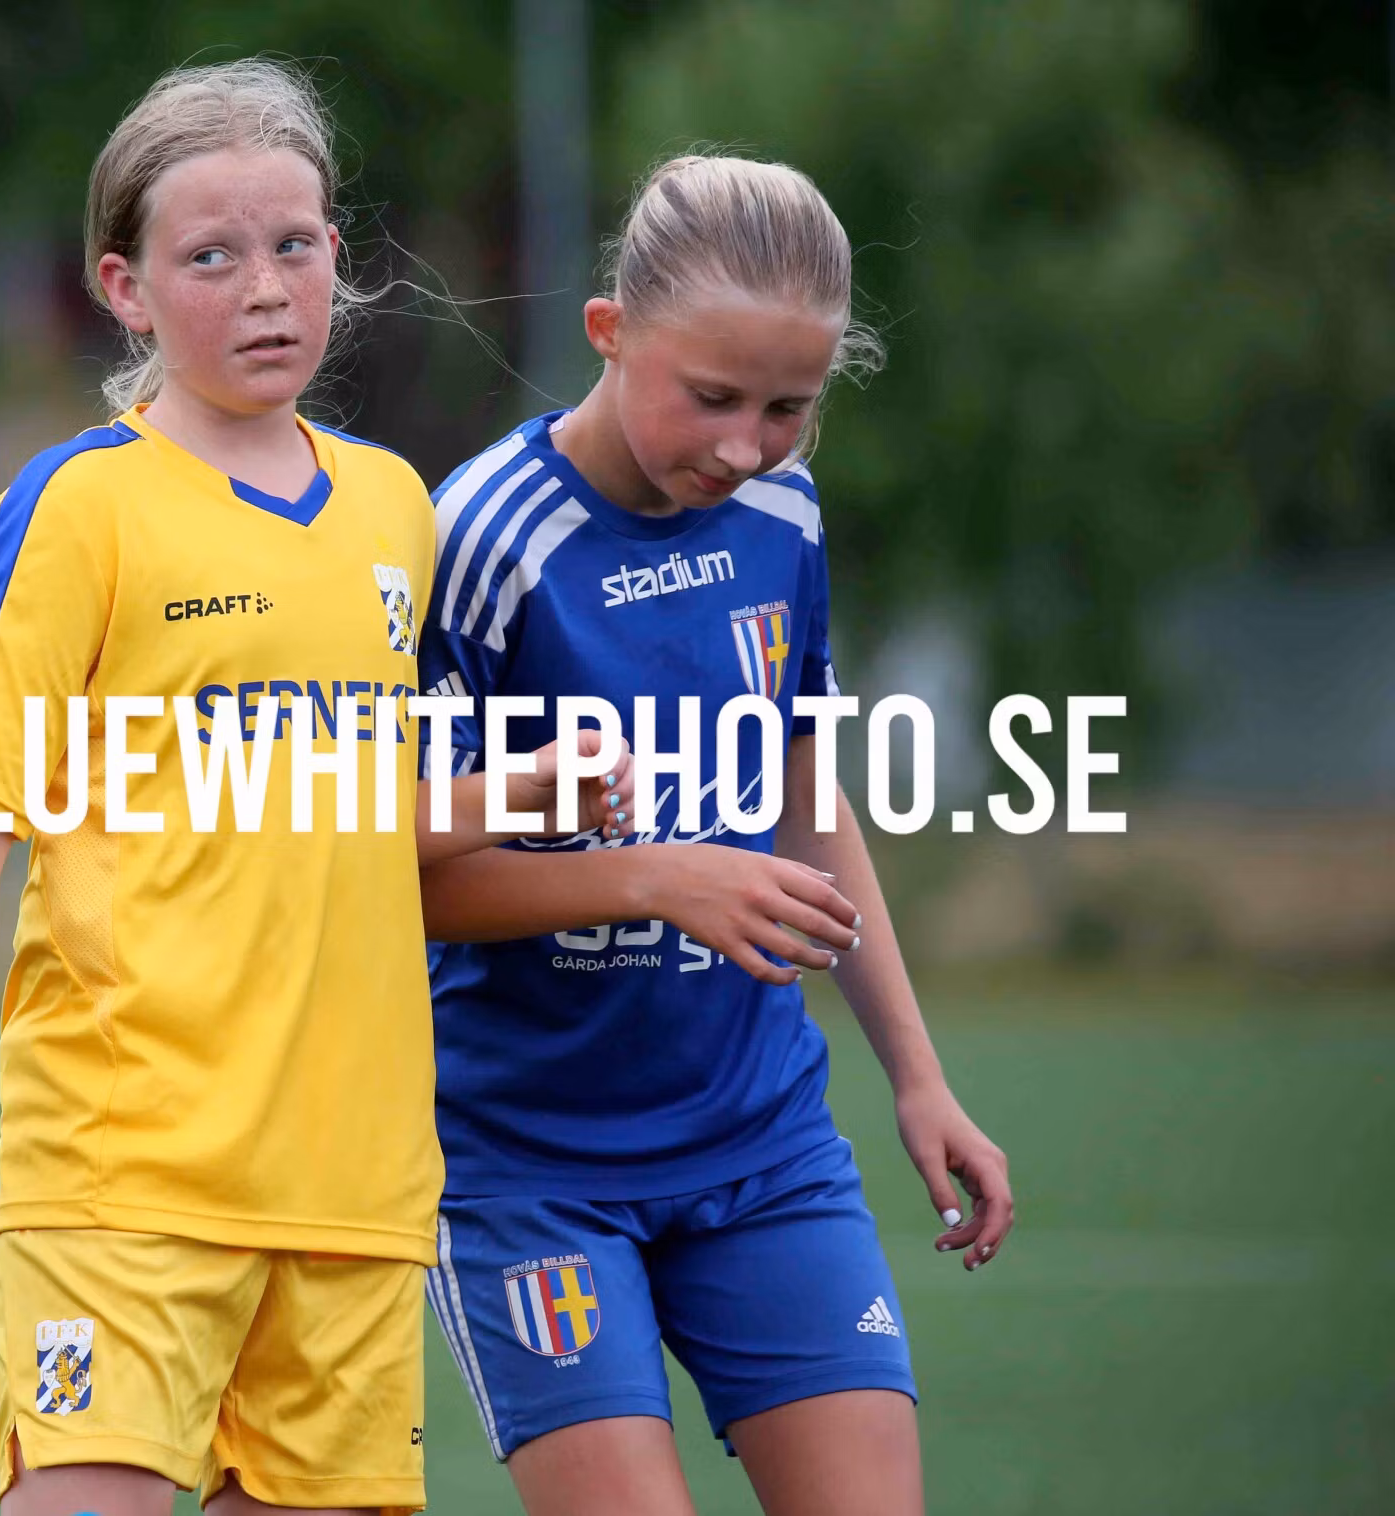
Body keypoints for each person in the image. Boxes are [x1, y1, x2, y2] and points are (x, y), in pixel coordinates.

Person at [0, 58, 626, 1516]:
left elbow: (342, 815)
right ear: (126, 289)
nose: (266, 288)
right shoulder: (80, 506)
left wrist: (521, 795)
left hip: (355, 1196)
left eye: (295, 245)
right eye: (210, 257)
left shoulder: (394, 507)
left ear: (339, 255)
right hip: (129, 1180)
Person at [416, 153, 1016, 1516]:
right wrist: (652, 879)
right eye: (712, 397)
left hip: (763, 1146)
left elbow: (807, 804)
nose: (748, 446)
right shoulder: (479, 540)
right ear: (610, 331)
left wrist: (919, 1079)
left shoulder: (785, 514)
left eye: (788, 407)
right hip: (528, 1169)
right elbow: (401, 878)